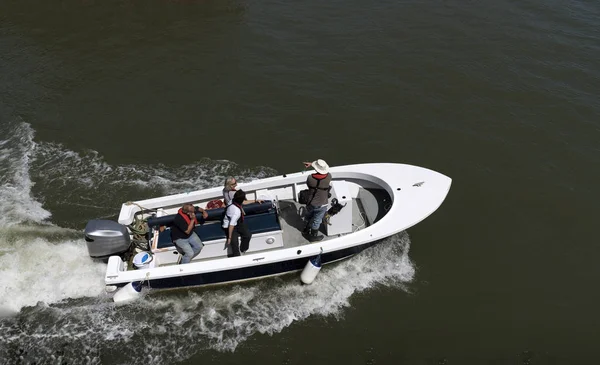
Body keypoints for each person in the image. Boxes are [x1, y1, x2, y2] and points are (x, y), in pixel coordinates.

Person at [302, 159, 332, 242]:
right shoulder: (329, 176)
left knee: (308, 215)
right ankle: (313, 236)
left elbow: (308, 185)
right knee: (317, 220)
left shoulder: (310, 178)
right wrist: (313, 165)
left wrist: (312, 164)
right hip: (322, 204)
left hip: (310, 202)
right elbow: (325, 174)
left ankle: (305, 229)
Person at [222, 189, 253, 257]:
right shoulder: (236, 211)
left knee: (247, 235)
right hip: (229, 225)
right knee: (234, 243)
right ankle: (237, 256)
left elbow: (244, 202)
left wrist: (255, 200)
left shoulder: (232, 200)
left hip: (238, 222)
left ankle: (243, 249)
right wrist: (229, 237)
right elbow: (231, 225)